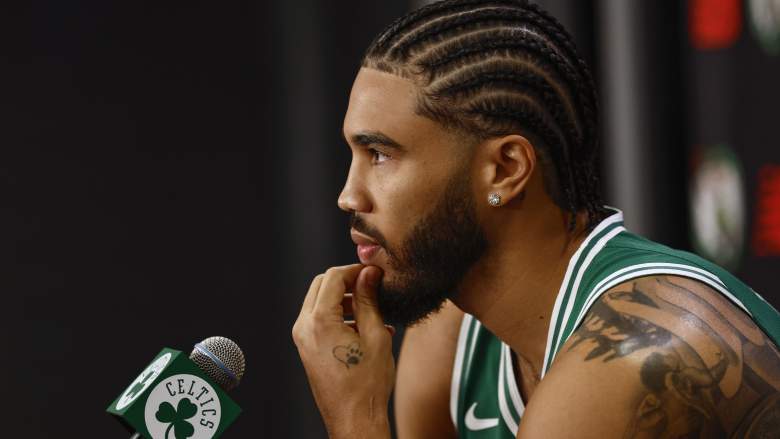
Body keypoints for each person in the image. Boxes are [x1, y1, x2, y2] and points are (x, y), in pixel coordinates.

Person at [292, 0, 780, 437]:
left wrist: (358, 416)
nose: (348, 196)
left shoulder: (626, 363)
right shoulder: (452, 333)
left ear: (505, 170)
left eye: (379, 154)